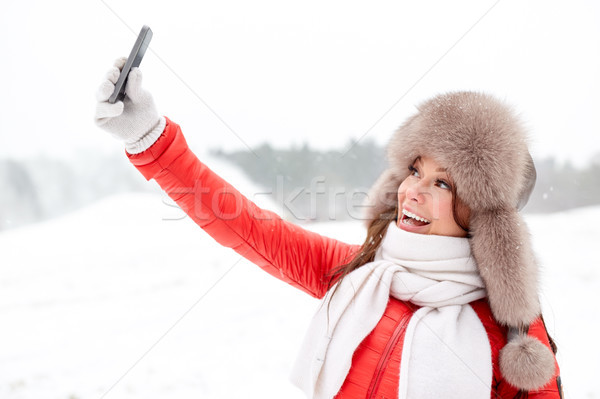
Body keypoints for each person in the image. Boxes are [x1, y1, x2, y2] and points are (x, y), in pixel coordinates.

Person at [95, 57, 563, 398]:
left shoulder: (515, 332)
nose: (412, 191)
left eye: (442, 182)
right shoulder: (360, 276)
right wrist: (150, 137)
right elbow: (248, 226)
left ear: (480, 212)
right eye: (414, 171)